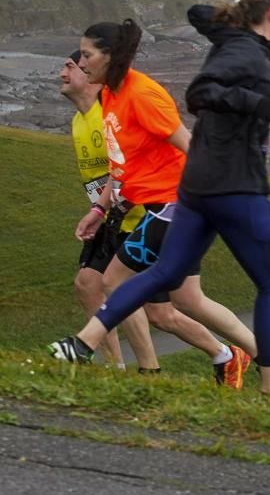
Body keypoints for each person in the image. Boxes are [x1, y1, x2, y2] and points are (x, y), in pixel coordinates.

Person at [50, 0, 270, 399]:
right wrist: (103, 205)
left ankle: (142, 372)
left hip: (172, 202)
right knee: (185, 297)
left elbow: (188, 143)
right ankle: (264, 357)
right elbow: (125, 156)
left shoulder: (143, 94)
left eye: (87, 55)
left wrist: (201, 191)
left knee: (114, 282)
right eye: (82, 56)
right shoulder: (110, 96)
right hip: (172, 199)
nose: (79, 62)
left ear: (110, 57)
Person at [60, 50, 158, 370]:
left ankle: (228, 353)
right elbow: (103, 177)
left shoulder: (109, 112)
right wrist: (99, 211)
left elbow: (130, 164)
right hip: (110, 217)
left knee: (166, 312)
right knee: (88, 283)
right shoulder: (78, 121)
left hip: (142, 216)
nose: (62, 73)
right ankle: (115, 366)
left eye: (70, 66)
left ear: (88, 76)